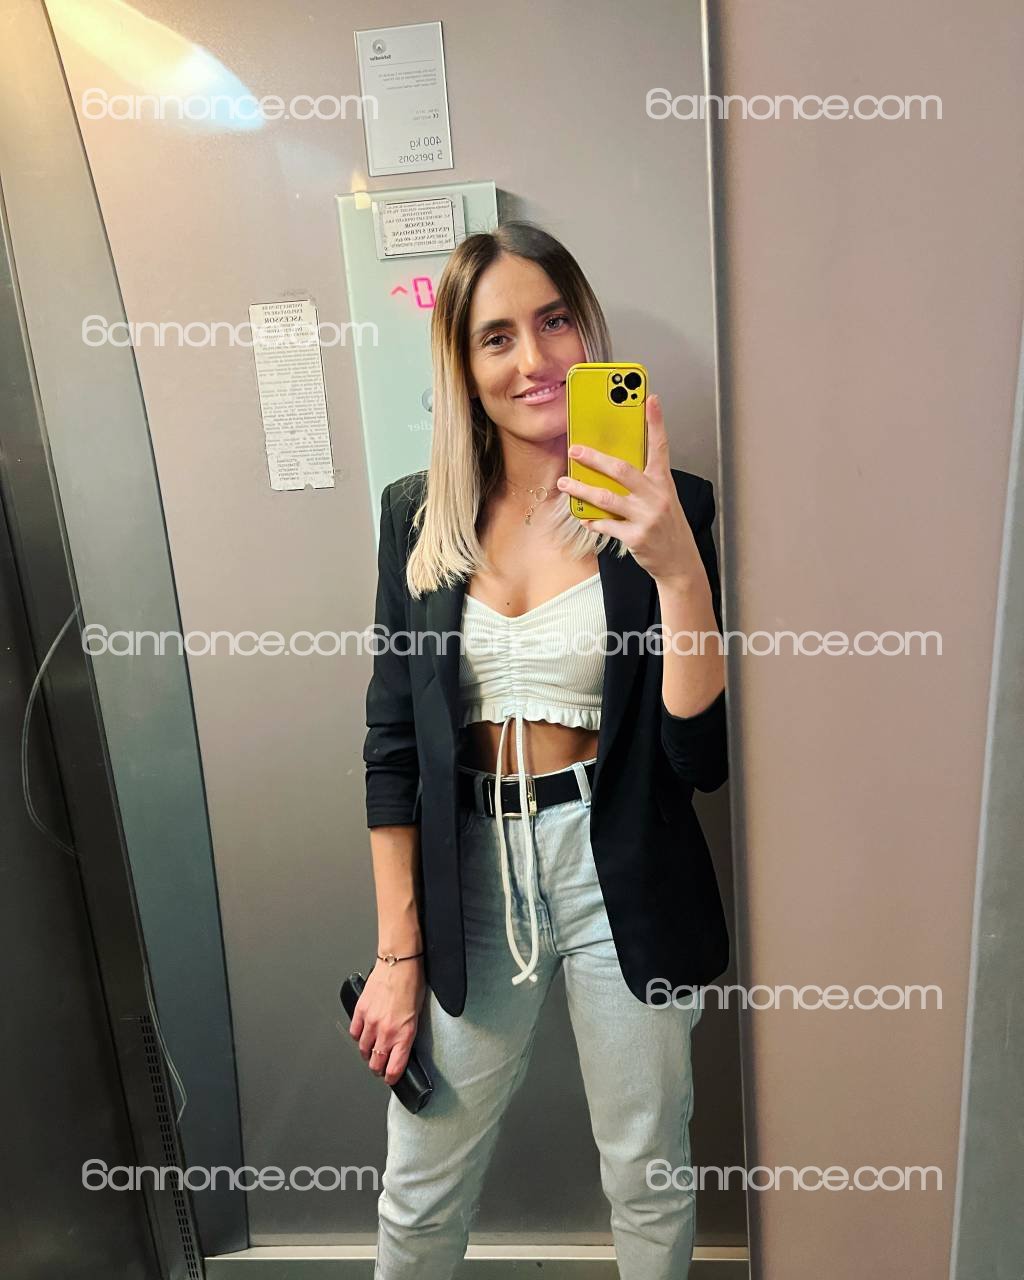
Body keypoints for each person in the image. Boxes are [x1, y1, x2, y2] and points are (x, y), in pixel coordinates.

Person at [349, 221, 730, 1280]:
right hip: (472, 870)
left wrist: (677, 568)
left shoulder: (673, 507)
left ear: (586, 331)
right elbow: (391, 744)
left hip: (622, 865)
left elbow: (699, 758)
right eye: (497, 336)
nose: (535, 359)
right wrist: (396, 953)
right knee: (420, 1181)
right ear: (463, 367)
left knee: (646, 1169)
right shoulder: (415, 517)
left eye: (555, 321)